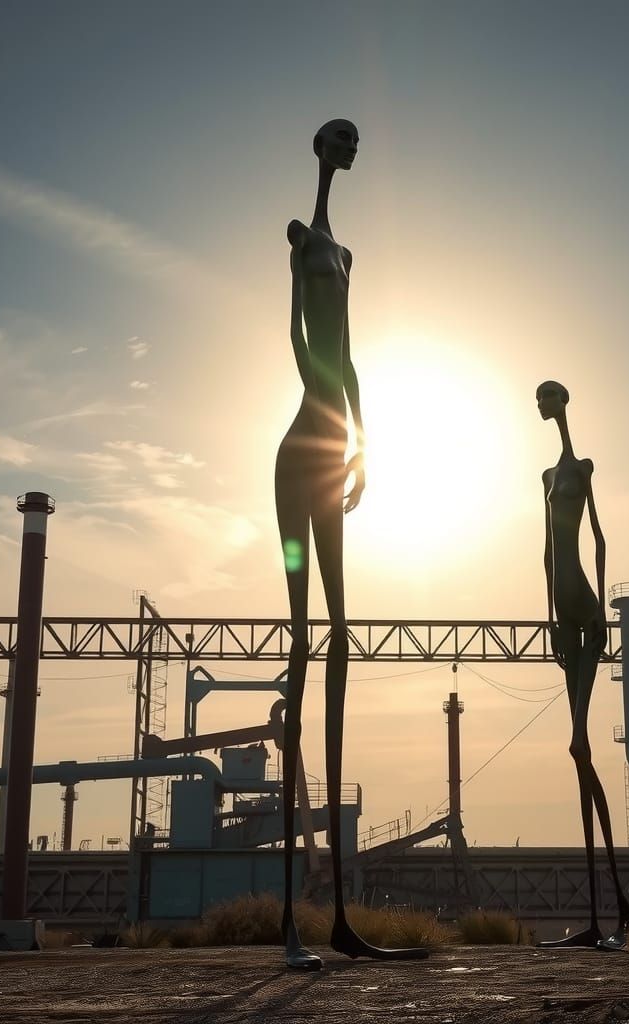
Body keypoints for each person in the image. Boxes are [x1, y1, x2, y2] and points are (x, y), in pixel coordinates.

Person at [275, 119, 427, 969]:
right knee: (302, 639)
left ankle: (337, 920)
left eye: (356, 144)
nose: (348, 153)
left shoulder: (350, 256)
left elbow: (353, 356)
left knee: (340, 639)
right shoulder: (301, 242)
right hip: (299, 452)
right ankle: (295, 921)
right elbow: (298, 338)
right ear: (319, 153)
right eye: (339, 143)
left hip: (332, 450)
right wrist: (327, 406)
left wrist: (365, 440)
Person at [536, 379, 629, 951]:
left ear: (563, 404)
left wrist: (602, 613)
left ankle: (615, 907)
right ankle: (607, 912)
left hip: (588, 613)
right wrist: (548, 617)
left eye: (548, 399)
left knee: (578, 744)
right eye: (539, 401)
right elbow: (546, 552)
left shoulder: (584, 468)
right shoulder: (545, 479)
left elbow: (597, 538)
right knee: (578, 751)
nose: (542, 408)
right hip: (564, 616)